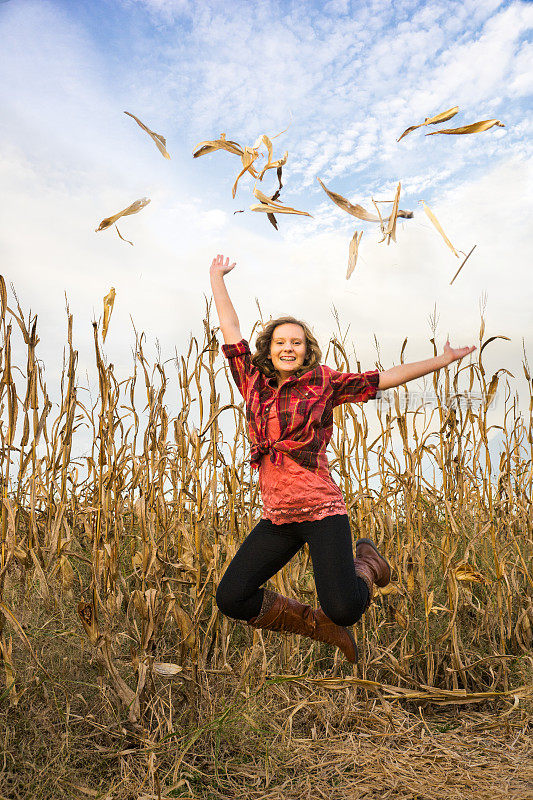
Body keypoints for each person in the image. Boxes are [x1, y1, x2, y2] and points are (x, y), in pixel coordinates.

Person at [210, 253, 476, 663]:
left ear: (305, 350)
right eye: (280, 341)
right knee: (231, 596)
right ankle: (317, 626)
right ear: (268, 348)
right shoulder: (252, 381)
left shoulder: (325, 382)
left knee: (346, 608)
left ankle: (367, 564)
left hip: (321, 511)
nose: (288, 347)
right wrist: (217, 277)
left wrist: (441, 361)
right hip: (278, 516)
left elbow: (383, 377)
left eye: (296, 342)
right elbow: (230, 328)